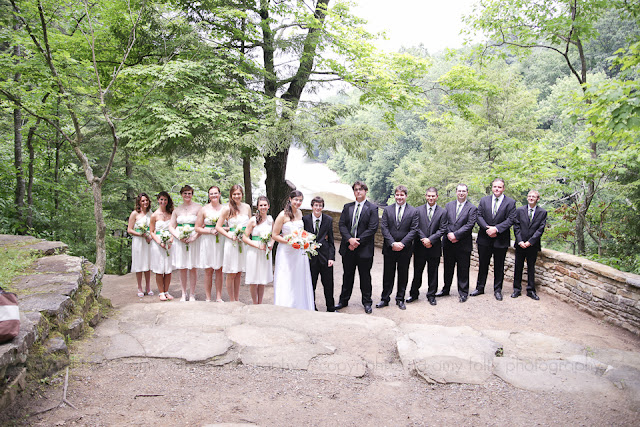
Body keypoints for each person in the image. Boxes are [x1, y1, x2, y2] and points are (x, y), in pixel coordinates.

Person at [335, 181, 379, 314]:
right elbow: (342, 225)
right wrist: (350, 240)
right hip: (348, 248)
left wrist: (357, 242)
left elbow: (372, 228)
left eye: (360, 189)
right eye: (355, 190)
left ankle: (367, 302)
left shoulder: (372, 208)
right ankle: (343, 301)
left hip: (364, 249)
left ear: (365, 191)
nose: (358, 192)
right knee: (347, 276)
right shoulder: (347, 207)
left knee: (365, 277)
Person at [471, 178, 517, 301]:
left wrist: (496, 229)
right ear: (492, 188)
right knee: (483, 265)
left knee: (499, 266)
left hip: (500, 239)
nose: (497, 189)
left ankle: (497, 290)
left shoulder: (510, 202)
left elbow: (510, 219)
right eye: (495, 187)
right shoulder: (484, 200)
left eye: (499, 187)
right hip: (484, 238)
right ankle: (480, 288)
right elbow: (478, 215)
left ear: (503, 188)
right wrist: (488, 228)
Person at [377, 185, 418, 310]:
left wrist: (402, 243)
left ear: (406, 196)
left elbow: (414, 230)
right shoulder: (387, 210)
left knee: (403, 274)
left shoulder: (413, 211)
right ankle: (385, 299)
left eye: (402, 195)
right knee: (388, 275)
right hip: (389, 248)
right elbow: (384, 227)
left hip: (405, 250)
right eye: (397, 195)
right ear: (395, 195)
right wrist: (392, 243)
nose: (399, 197)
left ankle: (400, 299)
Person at [271, 190, 314, 310]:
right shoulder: (282, 215)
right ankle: (285, 305)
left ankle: (299, 304)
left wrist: (303, 240)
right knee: (287, 276)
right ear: (290, 199)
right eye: (296, 199)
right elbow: (274, 235)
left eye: (300, 200)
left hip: (299, 251)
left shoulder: (300, 213)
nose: (298, 202)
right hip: (286, 251)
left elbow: (301, 232)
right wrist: (290, 242)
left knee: (298, 277)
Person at [407, 187, 448, 306]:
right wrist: (424, 239)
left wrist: (431, 239)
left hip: (434, 247)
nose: (431, 198)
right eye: (429, 196)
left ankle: (431, 295)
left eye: (433, 196)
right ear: (425, 196)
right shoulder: (418, 210)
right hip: (420, 247)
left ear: (437, 197)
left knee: (433, 272)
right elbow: (415, 227)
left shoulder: (442, 212)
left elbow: (443, 229)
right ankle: (413, 294)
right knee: (417, 272)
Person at [441, 184, 478, 303]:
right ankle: (445, 289)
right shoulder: (448, 205)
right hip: (448, 243)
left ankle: (463, 292)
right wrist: (449, 234)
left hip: (463, 244)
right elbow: (444, 222)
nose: (461, 193)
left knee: (463, 269)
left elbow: (469, 225)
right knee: (448, 268)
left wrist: (456, 235)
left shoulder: (472, 208)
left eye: (463, 191)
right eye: (459, 191)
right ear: (456, 192)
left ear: (467, 192)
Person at [216, 185, 252, 302]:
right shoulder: (227, 209)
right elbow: (218, 227)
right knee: (231, 272)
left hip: (243, 242)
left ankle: (237, 299)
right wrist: (230, 236)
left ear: (242, 194)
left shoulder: (247, 207)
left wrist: (246, 236)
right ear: (231, 195)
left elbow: (251, 225)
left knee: (238, 272)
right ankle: (231, 300)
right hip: (231, 243)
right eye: (234, 194)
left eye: (239, 194)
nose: (237, 196)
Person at [302, 196, 336, 312]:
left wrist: (331, 257)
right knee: (311, 284)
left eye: (320, 205)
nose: (318, 207)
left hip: (325, 257)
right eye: (316, 205)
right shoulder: (305, 220)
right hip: (311, 258)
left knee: (328, 284)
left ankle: (331, 307)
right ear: (312, 206)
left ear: (322, 207)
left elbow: (331, 240)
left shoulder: (328, 220)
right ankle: (312, 306)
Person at [512, 190, 547, 300]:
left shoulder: (542, 212)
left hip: (533, 245)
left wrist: (530, 242)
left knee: (531, 268)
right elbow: (516, 227)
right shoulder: (519, 210)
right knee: (518, 267)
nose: (531, 198)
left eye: (534, 197)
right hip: (520, 244)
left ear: (538, 199)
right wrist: (520, 241)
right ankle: (516, 290)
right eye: (529, 196)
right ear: (527, 198)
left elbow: (540, 229)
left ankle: (531, 290)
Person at [170, 185, 201, 301]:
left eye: (189, 193)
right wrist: (178, 236)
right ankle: (183, 293)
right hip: (180, 240)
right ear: (181, 195)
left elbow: (201, 225)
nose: (187, 195)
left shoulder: (198, 208)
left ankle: (192, 293)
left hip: (193, 239)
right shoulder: (177, 210)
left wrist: (194, 236)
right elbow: (171, 227)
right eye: (185, 193)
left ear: (192, 194)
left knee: (192, 267)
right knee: (182, 266)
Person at [195, 186, 226, 302]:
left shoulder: (225, 209)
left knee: (219, 269)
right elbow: (197, 228)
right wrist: (210, 231)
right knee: (208, 270)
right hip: (208, 240)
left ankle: (218, 297)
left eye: (216, 193)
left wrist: (221, 229)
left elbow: (229, 226)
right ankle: (208, 297)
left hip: (220, 239)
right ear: (209, 195)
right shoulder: (203, 210)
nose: (214, 195)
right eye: (211, 194)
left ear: (219, 194)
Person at [242, 196, 274, 304]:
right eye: (261, 205)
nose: (263, 207)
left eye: (265, 205)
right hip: (254, 251)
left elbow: (274, 234)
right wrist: (257, 246)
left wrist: (271, 244)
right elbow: (244, 237)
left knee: (262, 279)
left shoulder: (270, 220)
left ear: (268, 206)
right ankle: (254, 302)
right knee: (254, 279)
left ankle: (260, 302)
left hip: (265, 251)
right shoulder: (253, 220)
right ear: (257, 206)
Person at [149, 191, 175, 301]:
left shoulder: (172, 213)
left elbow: (174, 229)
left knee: (168, 269)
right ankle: (161, 292)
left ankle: (167, 291)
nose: (163, 202)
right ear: (158, 200)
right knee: (159, 268)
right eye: (161, 199)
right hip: (158, 244)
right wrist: (159, 242)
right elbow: (151, 232)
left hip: (169, 243)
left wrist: (171, 241)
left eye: (165, 199)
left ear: (168, 201)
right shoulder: (154, 215)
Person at [127, 192, 153, 298]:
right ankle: (139, 287)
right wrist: (141, 235)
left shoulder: (151, 213)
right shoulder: (134, 214)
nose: (145, 202)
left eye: (146, 200)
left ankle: (148, 287)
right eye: (143, 201)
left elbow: (153, 228)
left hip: (148, 241)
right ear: (139, 202)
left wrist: (150, 235)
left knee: (147, 264)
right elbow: (129, 229)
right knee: (139, 264)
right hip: (138, 241)